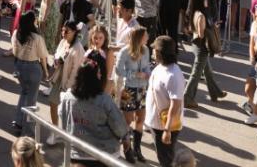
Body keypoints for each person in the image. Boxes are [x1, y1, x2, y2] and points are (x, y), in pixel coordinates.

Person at [59, 58, 130, 167]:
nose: (101, 76)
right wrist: (126, 139)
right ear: (94, 78)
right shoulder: (105, 100)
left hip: (76, 152)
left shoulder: (68, 97)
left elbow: (63, 117)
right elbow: (119, 126)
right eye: (99, 74)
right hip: (103, 154)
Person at [144, 36, 185, 167]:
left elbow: (176, 104)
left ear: (161, 52)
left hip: (164, 126)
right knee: (163, 156)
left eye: (155, 50)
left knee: (166, 160)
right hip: (156, 123)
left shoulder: (173, 75)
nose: (153, 52)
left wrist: (167, 130)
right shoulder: (160, 67)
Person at [116, 25, 151, 164]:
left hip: (142, 89)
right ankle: (127, 149)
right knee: (128, 121)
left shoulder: (146, 50)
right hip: (129, 89)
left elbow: (147, 66)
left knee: (141, 119)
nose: (148, 37)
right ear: (139, 38)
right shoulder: (125, 51)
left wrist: (148, 73)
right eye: (146, 35)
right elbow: (118, 70)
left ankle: (137, 149)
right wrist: (134, 74)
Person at [183, 0, 225, 107]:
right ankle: (187, 97)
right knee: (196, 74)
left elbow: (192, 30)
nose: (207, 1)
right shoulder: (201, 15)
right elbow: (202, 34)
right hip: (202, 47)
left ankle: (215, 92)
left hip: (195, 45)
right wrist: (211, 29)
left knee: (208, 72)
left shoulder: (193, 13)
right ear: (201, 2)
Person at [11, 10, 49, 136]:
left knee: (24, 93)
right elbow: (43, 56)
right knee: (31, 100)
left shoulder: (16, 33)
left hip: (19, 66)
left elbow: (13, 50)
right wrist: (46, 72)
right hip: (33, 67)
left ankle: (18, 122)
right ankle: (28, 129)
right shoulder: (36, 37)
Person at [48, 20, 86, 145]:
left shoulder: (78, 48)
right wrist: (56, 60)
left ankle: (70, 136)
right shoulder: (63, 42)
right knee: (53, 104)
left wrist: (67, 88)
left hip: (71, 84)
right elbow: (56, 54)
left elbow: (77, 71)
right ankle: (55, 131)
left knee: (68, 111)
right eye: (62, 30)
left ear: (74, 32)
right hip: (59, 78)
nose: (63, 33)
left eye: (66, 31)